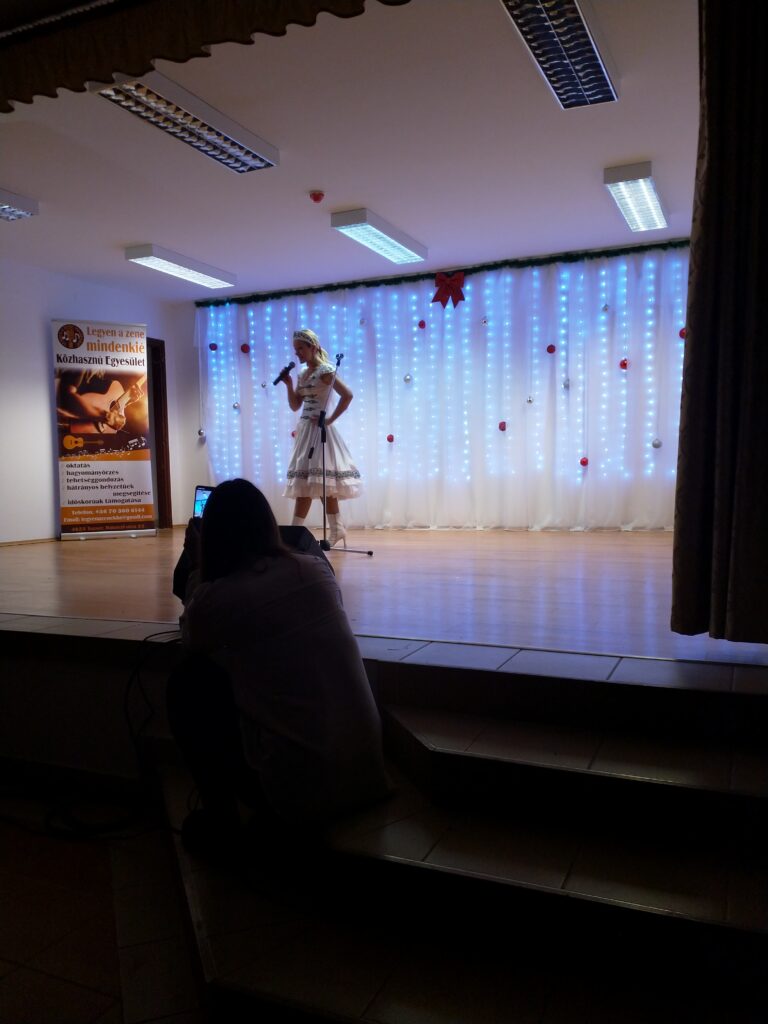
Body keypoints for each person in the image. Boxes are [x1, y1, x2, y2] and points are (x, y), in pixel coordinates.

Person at [167, 478, 390, 858]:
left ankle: (223, 825)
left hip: (302, 796)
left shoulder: (222, 597)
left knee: (190, 681)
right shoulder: (315, 570)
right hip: (368, 776)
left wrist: (199, 568)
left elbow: (193, 636)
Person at [277, 328, 361, 547]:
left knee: (323, 482)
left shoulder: (326, 370)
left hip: (320, 431)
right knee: (307, 482)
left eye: (300, 348)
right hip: (306, 430)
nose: (297, 353)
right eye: (295, 349)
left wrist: (329, 420)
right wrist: (289, 385)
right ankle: (322, 530)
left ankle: (308, 532)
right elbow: (295, 405)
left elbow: (347, 395)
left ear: (313, 347)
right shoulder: (303, 374)